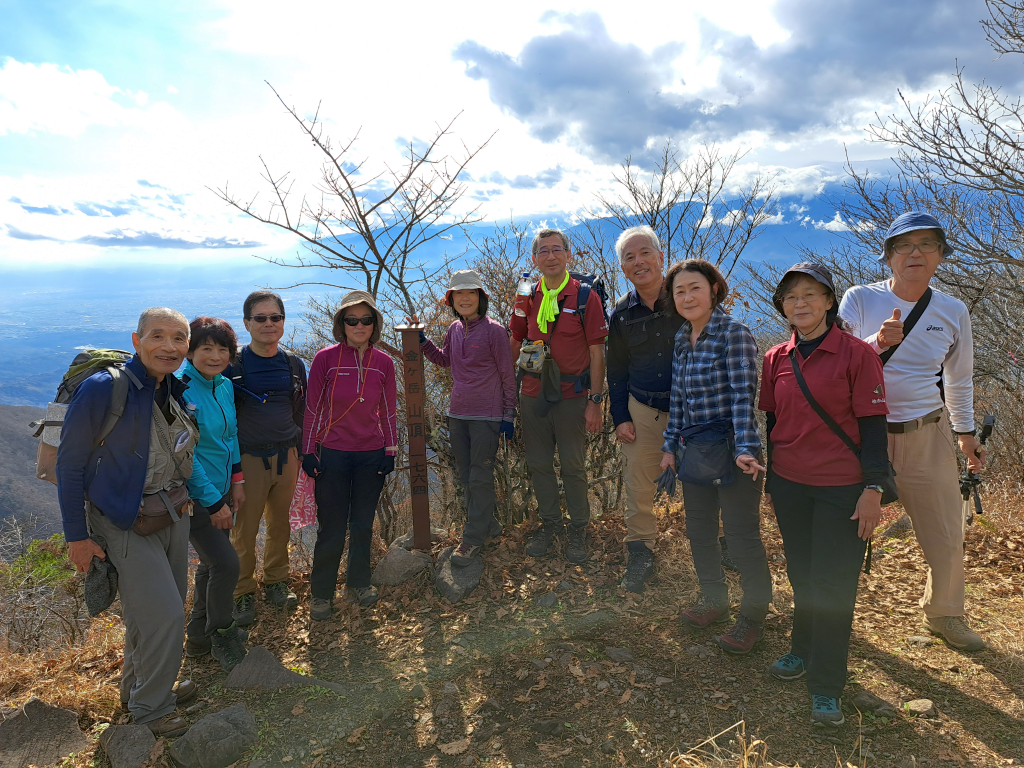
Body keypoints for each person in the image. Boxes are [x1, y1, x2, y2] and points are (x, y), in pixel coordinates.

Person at [839, 212, 988, 651]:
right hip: (865, 434)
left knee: (945, 529)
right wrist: (877, 344)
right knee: (845, 525)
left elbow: (959, 378)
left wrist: (965, 432)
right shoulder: (860, 299)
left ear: (941, 255)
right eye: (904, 245)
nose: (916, 253)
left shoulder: (952, 310)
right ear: (888, 257)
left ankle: (945, 614)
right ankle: (833, 617)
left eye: (927, 244)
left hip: (928, 429)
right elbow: (835, 360)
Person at [57, 308, 199, 737]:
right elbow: (69, 466)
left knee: (150, 613)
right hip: (122, 520)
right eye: (158, 336)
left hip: (171, 513)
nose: (169, 346)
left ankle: (137, 688)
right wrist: (76, 537)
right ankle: (152, 709)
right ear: (137, 341)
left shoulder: (172, 387)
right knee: (167, 617)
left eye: (178, 338)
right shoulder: (105, 389)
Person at [760, 264, 889, 726]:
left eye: (811, 294)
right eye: (791, 296)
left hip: (842, 488)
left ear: (830, 301)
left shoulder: (856, 354)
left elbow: (874, 428)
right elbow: (774, 425)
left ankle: (827, 685)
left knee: (834, 585)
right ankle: (801, 649)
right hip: (792, 486)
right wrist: (773, 484)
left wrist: (873, 488)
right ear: (783, 306)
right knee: (802, 575)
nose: (801, 303)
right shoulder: (776, 357)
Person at [659, 260, 772, 654]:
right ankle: (715, 601)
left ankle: (753, 617)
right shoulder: (680, 338)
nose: (687, 297)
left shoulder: (733, 333)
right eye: (679, 291)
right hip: (693, 450)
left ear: (713, 290)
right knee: (700, 532)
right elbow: (678, 399)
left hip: (732, 449)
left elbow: (745, 396)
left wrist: (745, 447)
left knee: (741, 539)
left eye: (694, 288)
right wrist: (669, 447)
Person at [509, 228, 608, 564]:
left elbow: (597, 351)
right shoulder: (527, 295)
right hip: (533, 391)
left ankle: (578, 528)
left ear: (568, 254)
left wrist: (595, 402)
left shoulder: (583, 296)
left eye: (556, 250)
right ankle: (551, 524)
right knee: (538, 464)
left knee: (573, 465)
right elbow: (516, 336)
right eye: (543, 251)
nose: (550, 256)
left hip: (571, 395)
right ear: (534, 259)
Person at [301, 290, 398, 618]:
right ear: (341, 323)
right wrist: (308, 450)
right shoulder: (325, 359)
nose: (359, 325)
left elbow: (388, 410)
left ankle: (359, 583)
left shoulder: (384, 362)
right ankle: (321, 594)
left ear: (375, 323)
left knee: (362, 523)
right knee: (331, 527)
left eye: (366, 319)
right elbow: (312, 408)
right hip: (333, 455)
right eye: (351, 319)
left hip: (371, 455)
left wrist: (390, 449)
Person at [419, 270, 517, 566]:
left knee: (479, 475)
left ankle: (472, 539)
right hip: (457, 414)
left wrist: (509, 413)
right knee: (465, 477)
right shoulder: (454, 329)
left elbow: (507, 374)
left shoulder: (495, 331)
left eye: (470, 293)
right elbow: (445, 360)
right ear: (451, 299)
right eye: (458, 294)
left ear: (480, 298)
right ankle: (490, 527)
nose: (464, 298)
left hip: (486, 415)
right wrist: (422, 341)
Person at [607, 225, 683, 592]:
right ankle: (641, 552)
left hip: (694, 409)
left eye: (644, 253)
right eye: (629, 257)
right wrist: (620, 417)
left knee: (708, 478)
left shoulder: (686, 298)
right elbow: (616, 370)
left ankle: (720, 542)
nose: (638, 262)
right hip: (643, 408)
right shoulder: (621, 315)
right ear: (622, 267)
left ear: (660, 256)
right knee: (638, 485)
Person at [226, 291, 307, 627]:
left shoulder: (293, 363)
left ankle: (276, 581)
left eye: (275, 317)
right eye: (260, 318)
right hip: (248, 459)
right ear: (247, 323)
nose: (269, 324)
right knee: (243, 530)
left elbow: (301, 409)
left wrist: (301, 453)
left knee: (280, 524)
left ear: (283, 322)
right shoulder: (233, 366)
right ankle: (242, 590)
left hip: (287, 455)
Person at [179, 317, 248, 672]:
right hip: (195, 498)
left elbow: (230, 436)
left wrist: (237, 481)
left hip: (223, 488)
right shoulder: (180, 390)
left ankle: (198, 639)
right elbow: (184, 457)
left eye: (223, 348)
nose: (216, 355)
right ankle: (223, 634)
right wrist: (214, 502)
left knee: (210, 566)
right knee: (226, 564)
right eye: (206, 347)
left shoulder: (222, 385)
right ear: (190, 351)